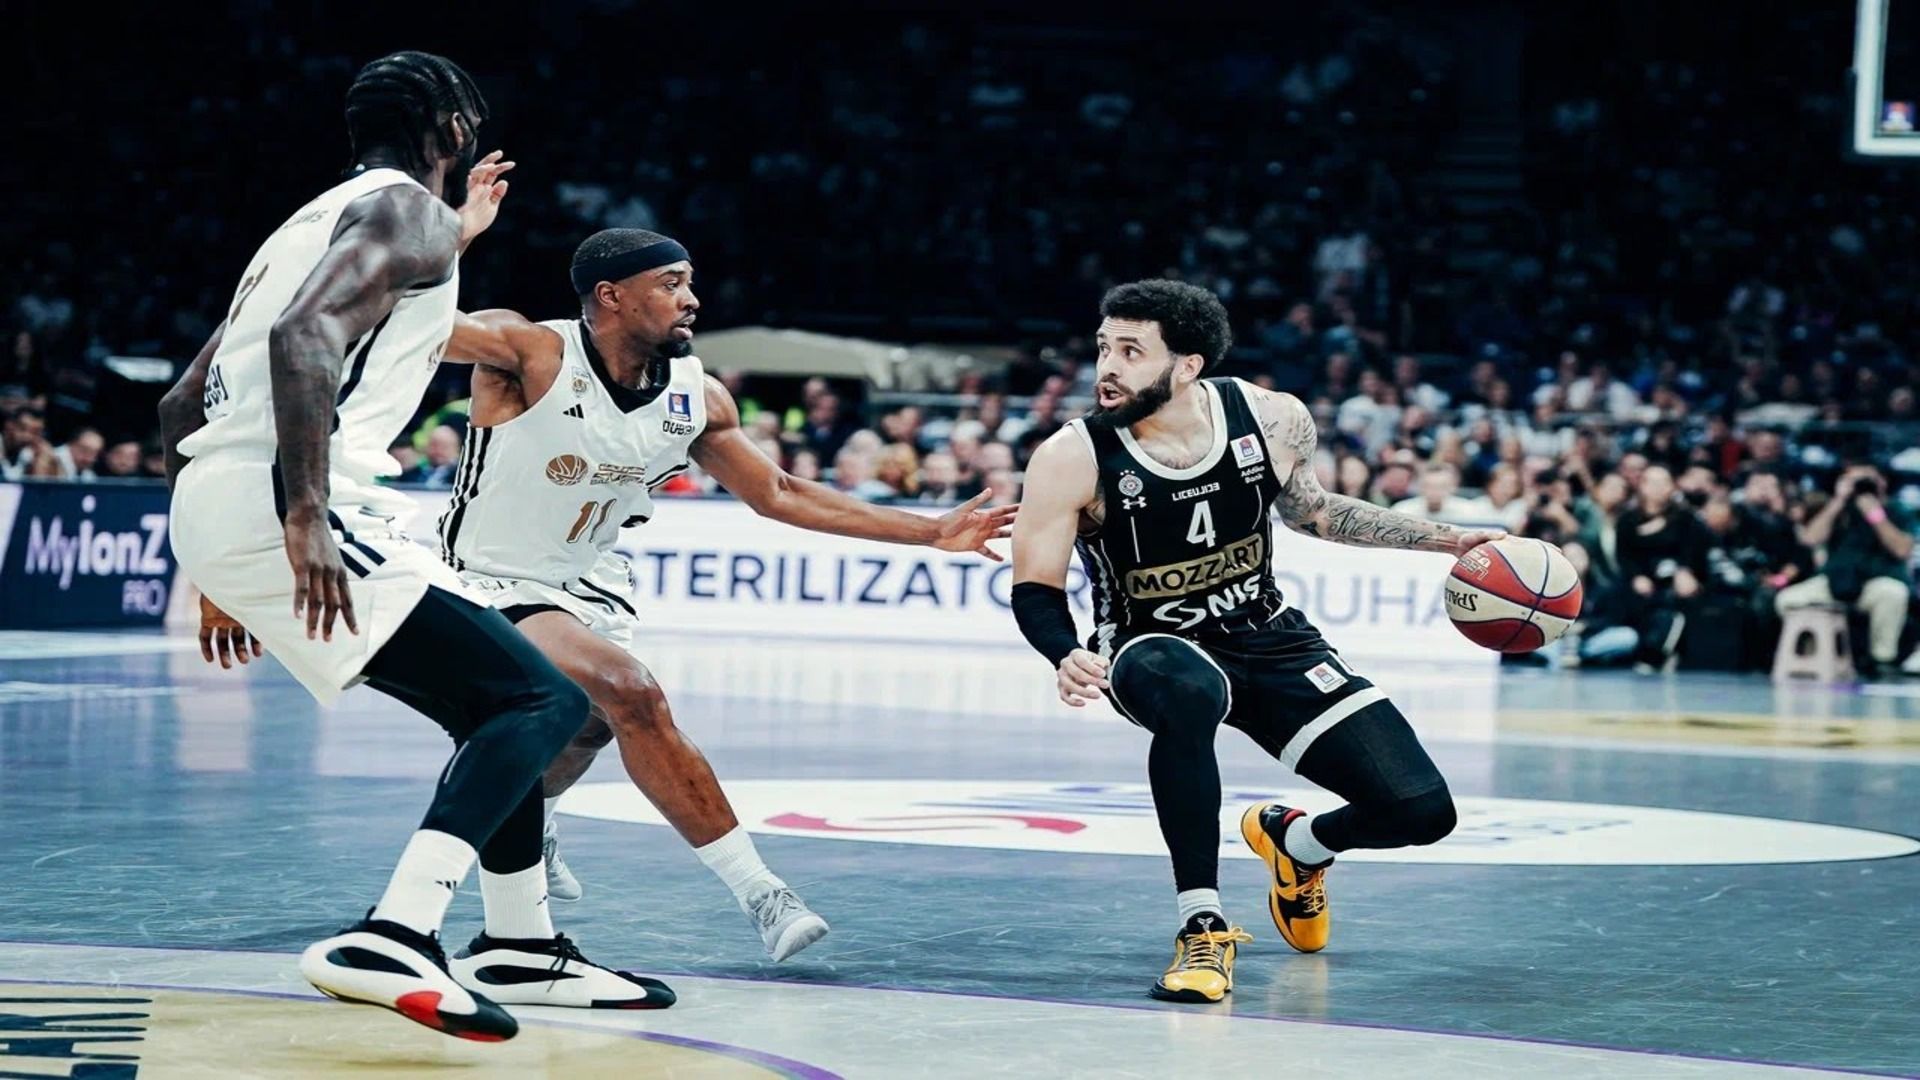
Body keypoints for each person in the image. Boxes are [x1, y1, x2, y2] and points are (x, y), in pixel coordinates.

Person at [165, 52, 667, 1042]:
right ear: (452, 128)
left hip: (224, 500)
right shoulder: (406, 214)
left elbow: (185, 402)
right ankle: (393, 935)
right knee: (544, 702)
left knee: (500, 699)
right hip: (296, 498)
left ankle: (520, 943)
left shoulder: (312, 226)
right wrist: (302, 514)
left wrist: (219, 564)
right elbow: (306, 339)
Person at [438, 228, 1017, 960]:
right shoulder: (529, 350)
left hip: (590, 581)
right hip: (488, 575)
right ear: (610, 296)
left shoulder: (696, 396)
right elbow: (417, 328)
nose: (691, 299)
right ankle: (763, 894)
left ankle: (532, 822)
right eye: (670, 284)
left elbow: (779, 492)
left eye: (689, 282)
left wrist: (929, 532)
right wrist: (455, 237)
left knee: (585, 727)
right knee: (632, 693)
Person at [1011, 280, 1501, 1004]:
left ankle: (1297, 847)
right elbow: (1035, 586)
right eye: (1104, 348)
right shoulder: (1071, 455)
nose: (1106, 367)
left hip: (1267, 634)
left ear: (1188, 366)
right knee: (1189, 692)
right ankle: (1201, 926)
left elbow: (1314, 512)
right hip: (1149, 643)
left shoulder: (1270, 418)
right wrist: (1063, 651)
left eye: (1131, 351)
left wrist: (1447, 539)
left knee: (1421, 811)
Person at [1775, 465, 1915, 678]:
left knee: (1893, 593)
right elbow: (1810, 539)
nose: (1859, 485)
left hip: (1876, 582)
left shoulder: (1897, 509)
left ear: (1881, 482)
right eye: (1852, 480)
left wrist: (1874, 514)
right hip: (1834, 581)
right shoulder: (1837, 509)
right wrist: (1838, 501)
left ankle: (1882, 659)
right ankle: (1811, 653)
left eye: (1865, 480)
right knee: (1786, 599)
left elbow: (1902, 549)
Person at [1615, 465, 1711, 672]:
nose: (1658, 488)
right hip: (1642, 578)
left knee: (1674, 600)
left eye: (1664, 482)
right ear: (1642, 486)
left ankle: (1658, 653)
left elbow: (1694, 550)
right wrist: (1636, 576)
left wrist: (1685, 570)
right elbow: (1624, 555)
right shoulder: (1628, 519)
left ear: (1672, 487)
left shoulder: (1686, 518)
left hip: (1673, 577)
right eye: (1653, 482)